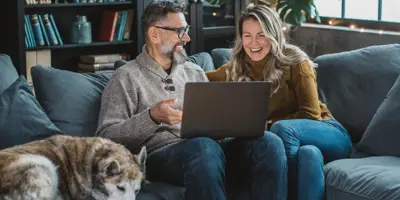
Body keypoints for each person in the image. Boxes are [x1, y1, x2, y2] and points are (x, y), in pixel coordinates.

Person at [96, 1, 287, 200]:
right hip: (161, 157)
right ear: (154, 34)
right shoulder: (126, 76)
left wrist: (234, 125)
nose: (187, 38)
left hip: (208, 151)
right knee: (202, 147)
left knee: (269, 142)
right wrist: (152, 117)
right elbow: (106, 136)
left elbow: (213, 125)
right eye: (180, 31)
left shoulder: (193, 71)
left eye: (186, 30)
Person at [206, 3, 352, 200]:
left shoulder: (295, 61)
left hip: (327, 132)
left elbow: (311, 113)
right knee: (309, 155)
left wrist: (269, 124)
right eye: (247, 35)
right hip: (297, 142)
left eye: (261, 34)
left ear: (273, 34)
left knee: (282, 130)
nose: (253, 42)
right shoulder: (237, 67)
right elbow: (200, 79)